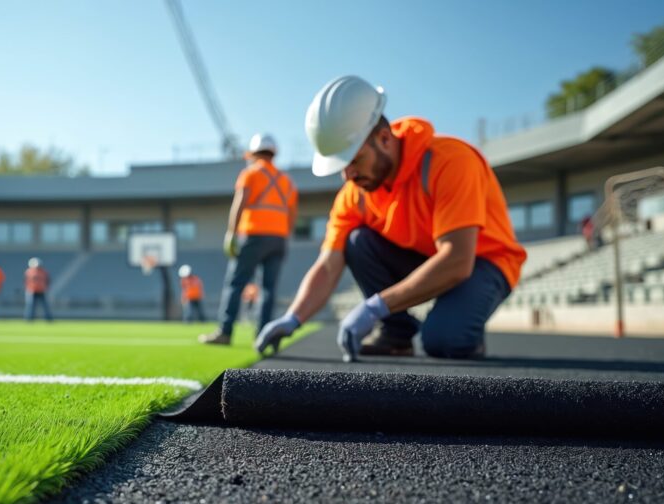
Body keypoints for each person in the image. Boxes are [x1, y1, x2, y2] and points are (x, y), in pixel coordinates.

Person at [256, 75, 526, 361]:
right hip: (429, 256)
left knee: (444, 341)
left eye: (354, 161)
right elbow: (328, 265)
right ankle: (396, 334)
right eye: (340, 166)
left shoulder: (450, 161)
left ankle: (461, 328)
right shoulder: (355, 192)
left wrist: (375, 307)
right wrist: (293, 318)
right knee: (357, 240)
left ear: (384, 139)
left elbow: (458, 260)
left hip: (484, 262)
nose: (348, 175)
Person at [199, 133, 298, 345]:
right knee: (269, 289)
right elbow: (292, 214)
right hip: (279, 239)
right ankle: (264, 335)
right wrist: (283, 235)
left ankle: (225, 331)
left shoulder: (250, 173)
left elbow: (239, 203)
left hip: (253, 235)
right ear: (274, 153)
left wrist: (231, 233)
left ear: (252, 153)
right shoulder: (287, 181)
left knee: (235, 283)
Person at [24, 257, 53, 322]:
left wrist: (46, 288)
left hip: (41, 290)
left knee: (45, 306)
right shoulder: (29, 272)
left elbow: (47, 280)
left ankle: (48, 318)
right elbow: (26, 281)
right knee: (30, 306)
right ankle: (29, 318)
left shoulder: (44, 272)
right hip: (32, 290)